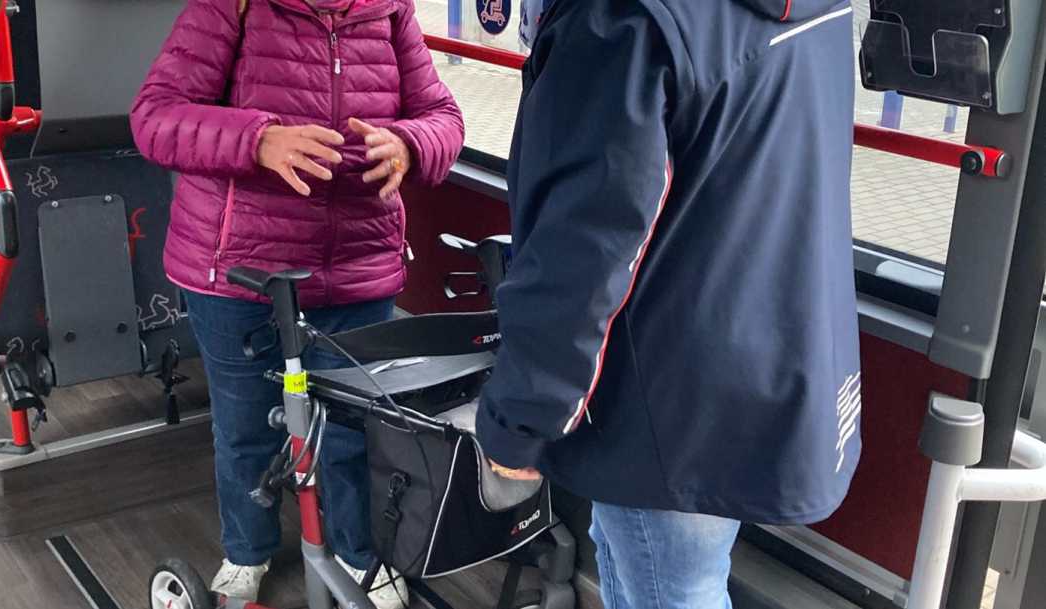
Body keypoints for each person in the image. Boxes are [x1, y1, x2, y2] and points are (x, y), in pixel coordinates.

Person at [476, 1, 860, 608]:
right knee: (659, 573)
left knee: (668, 588)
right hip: (773, 349)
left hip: (663, 395)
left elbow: (582, 249)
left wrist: (518, 425)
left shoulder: (619, 20)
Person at [131, 0, 462, 606]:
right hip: (241, 271)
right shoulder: (231, 7)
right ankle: (246, 549)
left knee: (354, 431)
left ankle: (358, 554)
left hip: (358, 269)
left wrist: (412, 144)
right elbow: (154, 117)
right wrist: (257, 140)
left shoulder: (390, 12)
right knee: (246, 425)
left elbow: (443, 115)